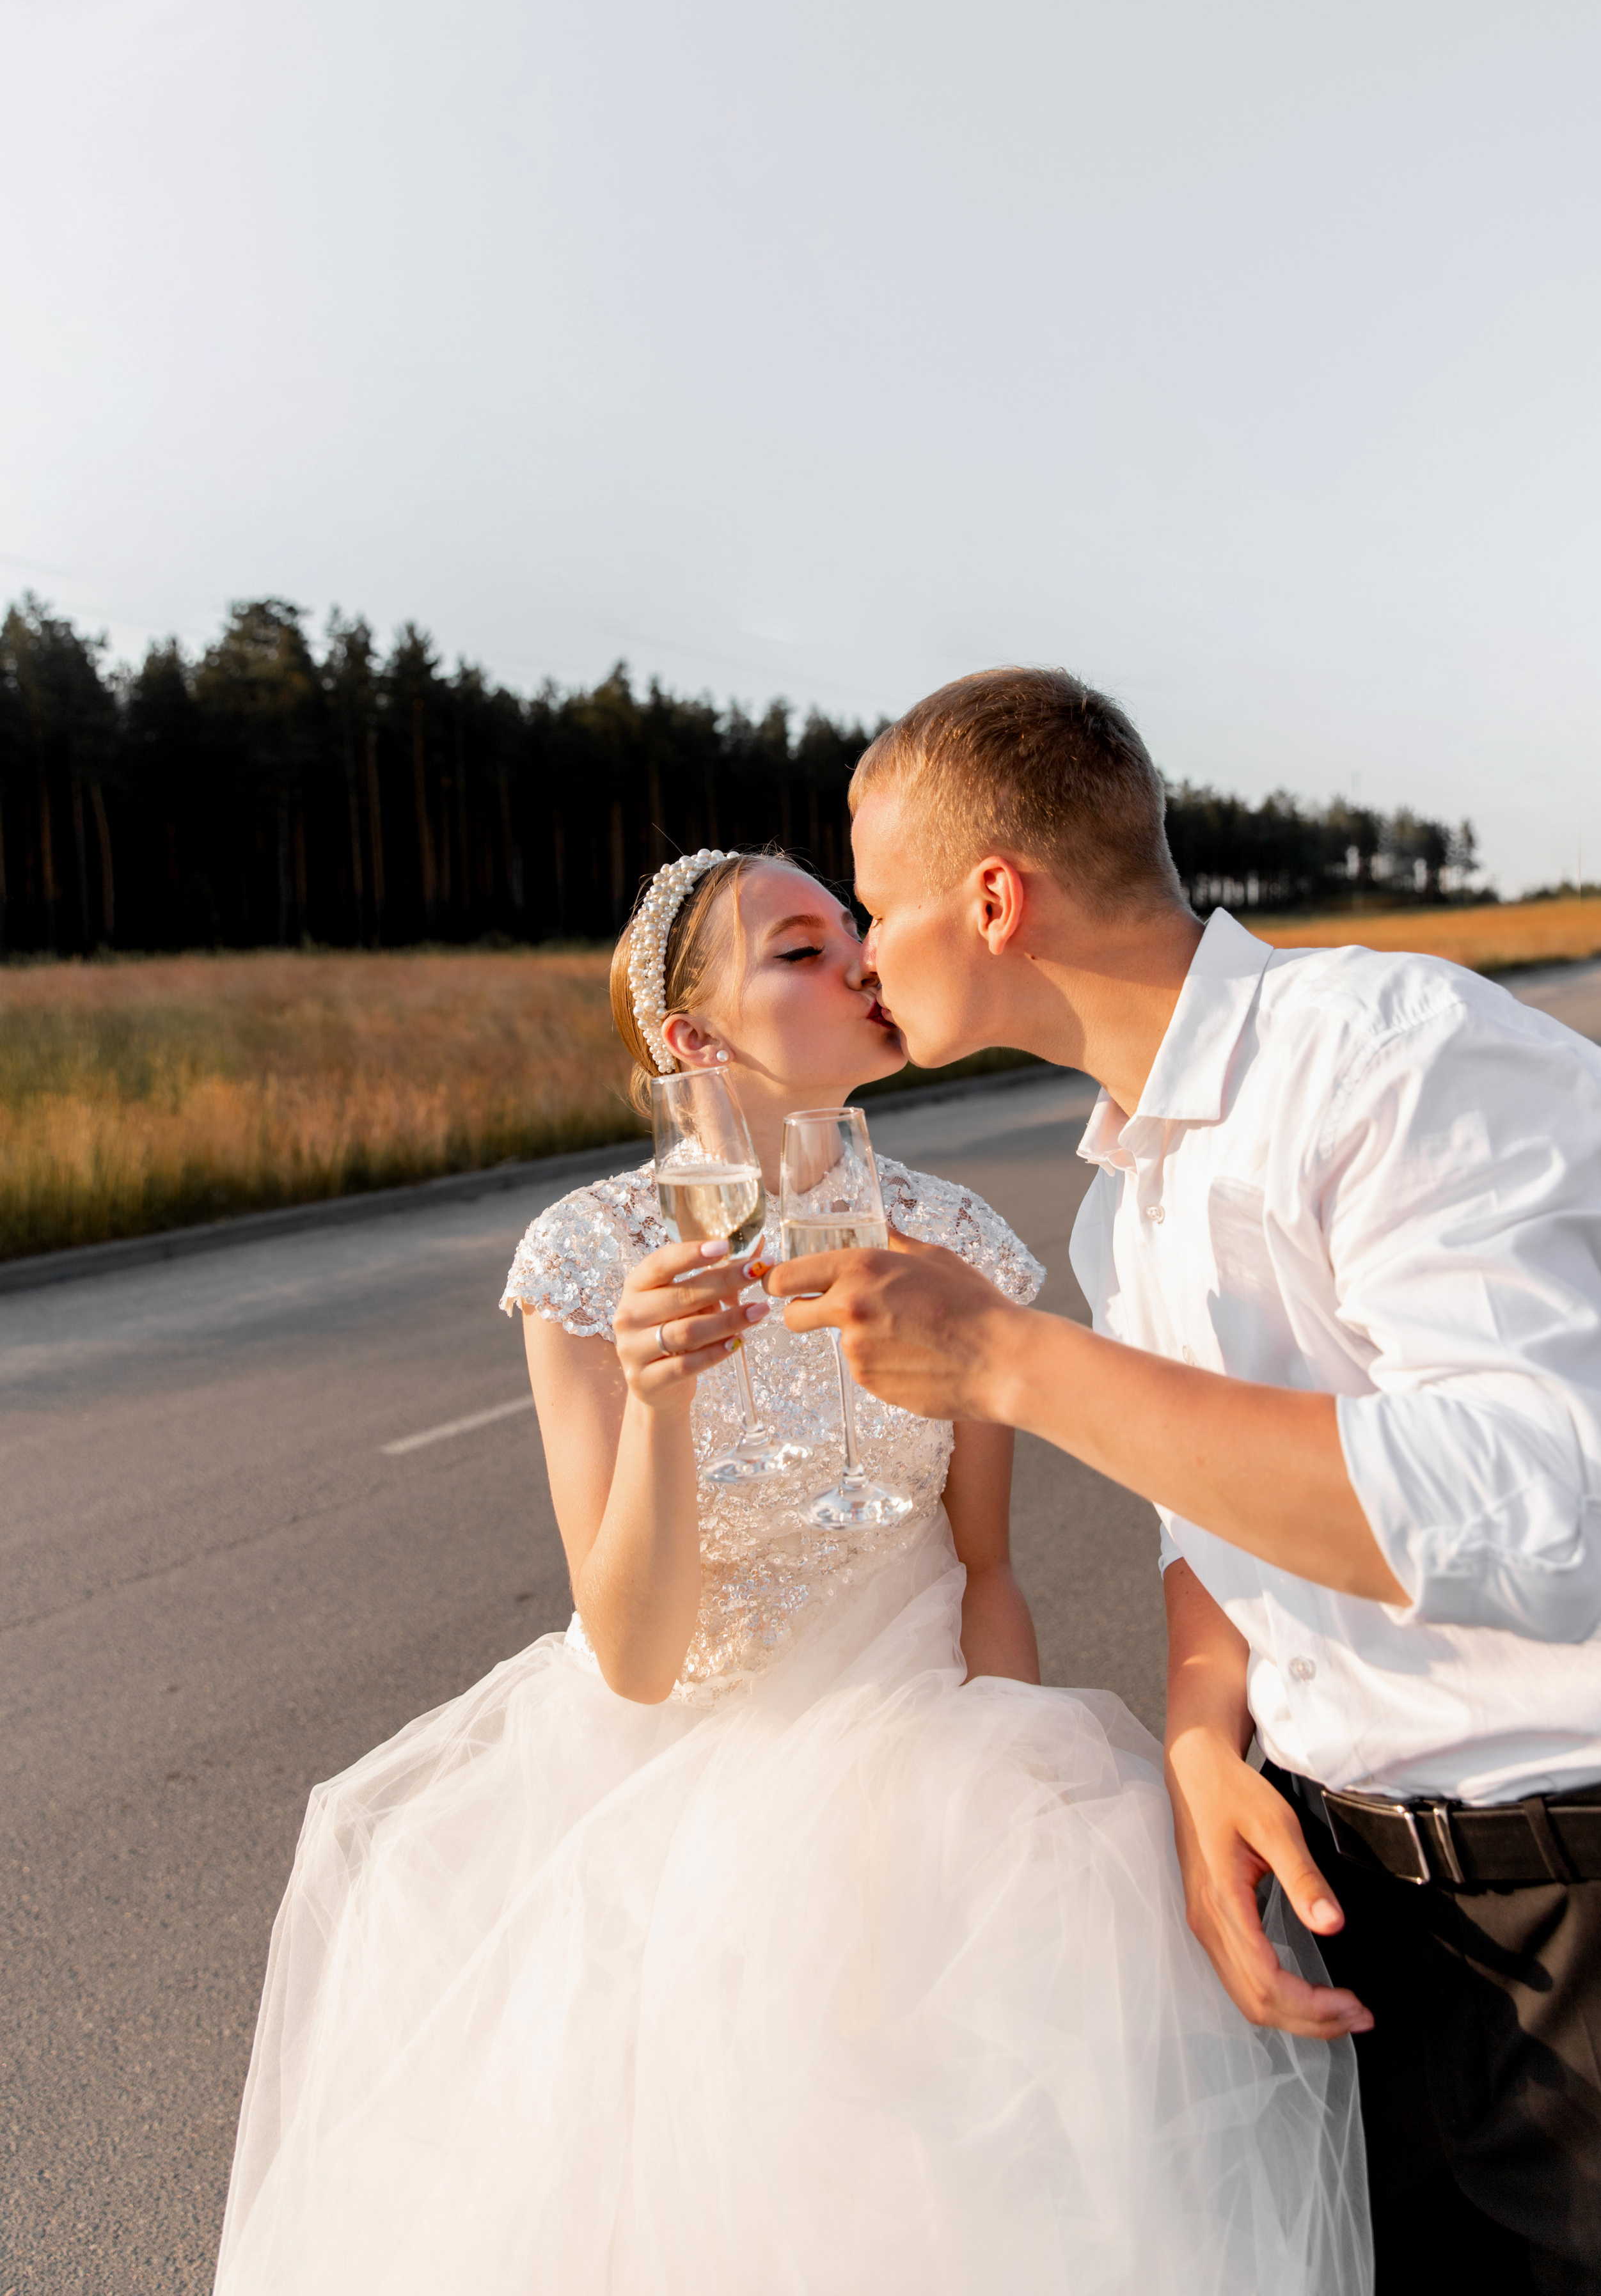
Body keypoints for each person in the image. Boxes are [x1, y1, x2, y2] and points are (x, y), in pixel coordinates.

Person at [214, 844, 1367, 2295]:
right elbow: (630, 1659)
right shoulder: (590, 1259)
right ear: (692, 1041)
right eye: (799, 950)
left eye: (853, 928)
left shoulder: (956, 1238)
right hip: (680, 1807)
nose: (859, 963)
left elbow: (986, 1571)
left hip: (926, 1766)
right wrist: (657, 1402)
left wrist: (997, 1798)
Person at [767, 666, 1601, 2296]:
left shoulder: (1392, 1053)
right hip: (1357, 1918)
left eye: (877, 907)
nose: (866, 954)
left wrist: (1012, 1365)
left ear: (996, 898)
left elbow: (1545, 1496)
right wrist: (1195, 1738)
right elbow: (1214, 1521)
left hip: (1589, 1906)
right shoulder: (1126, 1197)